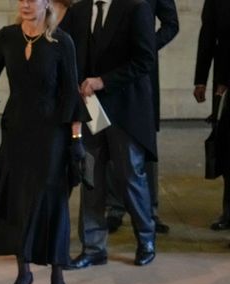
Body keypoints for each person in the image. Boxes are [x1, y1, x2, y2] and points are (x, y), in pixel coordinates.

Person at [0, 0, 84, 284]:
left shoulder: (62, 42)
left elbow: (70, 95)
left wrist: (75, 140)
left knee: (49, 203)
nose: (25, 3)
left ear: (46, 2)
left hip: (52, 135)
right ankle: (23, 272)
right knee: (17, 200)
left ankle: (57, 279)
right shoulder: (7, 36)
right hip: (16, 133)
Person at [66, 0, 158, 268]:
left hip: (126, 111)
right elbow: (68, 52)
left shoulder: (135, 7)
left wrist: (103, 81)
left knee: (130, 175)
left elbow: (145, 60)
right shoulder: (79, 10)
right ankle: (94, 247)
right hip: (91, 110)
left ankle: (146, 238)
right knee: (91, 177)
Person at [104, 0, 178, 236]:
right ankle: (114, 208)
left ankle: (149, 210)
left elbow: (171, 24)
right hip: (106, 70)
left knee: (144, 139)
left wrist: (145, 44)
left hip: (142, 73)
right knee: (106, 137)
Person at [194, 0, 230, 235]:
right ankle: (228, 212)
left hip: (225, 81)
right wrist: (201, 79)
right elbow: (207, 36)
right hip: (223, 84)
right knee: (226, 148)